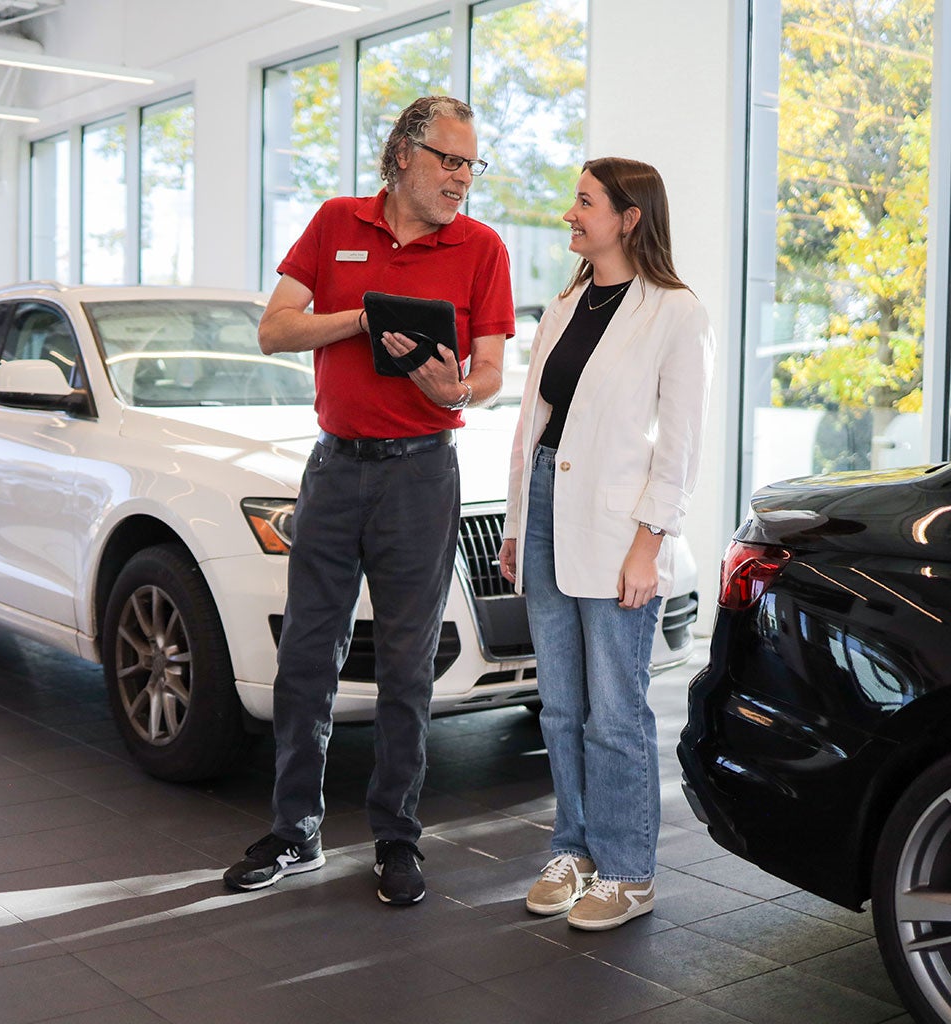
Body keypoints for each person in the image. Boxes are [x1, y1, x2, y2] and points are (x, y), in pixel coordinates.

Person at [223, 95, 515, 906]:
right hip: (333, 468)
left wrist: (456, 386)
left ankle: (396, 837)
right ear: (402, 157)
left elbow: (488, 373)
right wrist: (360, 319)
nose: (462, 178)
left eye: (470, 164)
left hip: (422, 474)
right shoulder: (334, 223)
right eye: (449, 160)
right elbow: (275, 329)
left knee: (406, 664)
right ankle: (296, 832)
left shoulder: (482, 247)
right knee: (307, 655)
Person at [498, 157, 714, 930]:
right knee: (559, 705)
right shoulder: (565, 305)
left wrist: (649, 544)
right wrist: (520, 525)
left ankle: (629, 870)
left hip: (618, 524)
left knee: (615, 710)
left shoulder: (675, 312)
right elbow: (536, 427)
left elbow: (679, 446)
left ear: (628, 217)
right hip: (551, 505)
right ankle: (575, 849)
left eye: (584, 203)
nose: (569, 214)